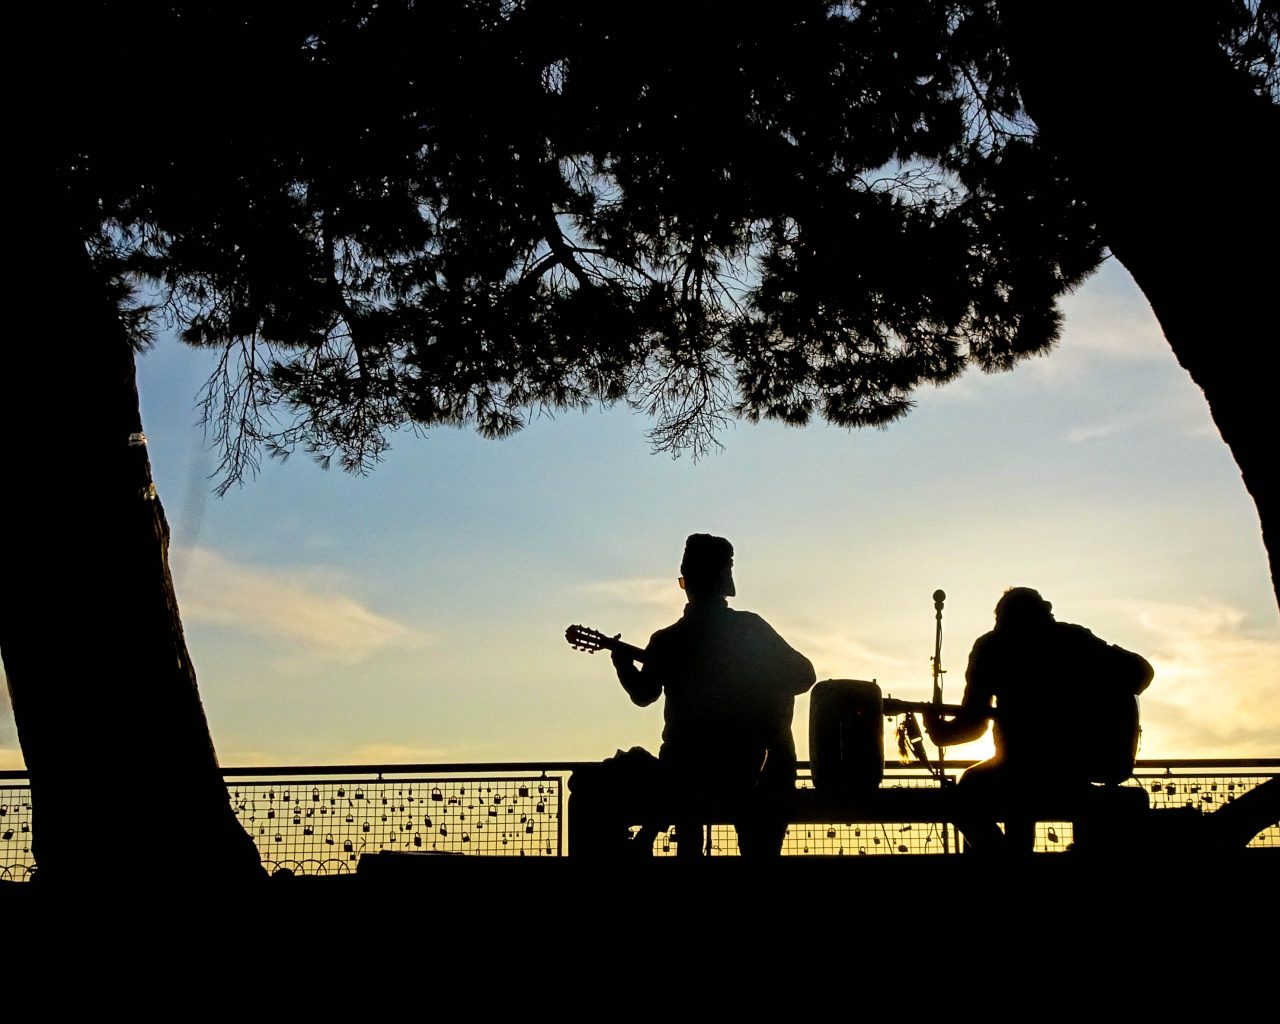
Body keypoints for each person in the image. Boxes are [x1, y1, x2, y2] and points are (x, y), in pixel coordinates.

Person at [610, 534, 816, 857]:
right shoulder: (751, 629)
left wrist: (622, 667)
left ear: (688, 583)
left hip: (686, 774)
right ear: (726, 582)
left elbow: (643, 694)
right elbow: (805, 674)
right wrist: (759, 692)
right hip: (748, 771)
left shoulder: (667, 641)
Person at [924, 587, 1154, 852]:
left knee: (965, 797)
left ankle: (1005, 861)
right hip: (1071, 769)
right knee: (1011, 798)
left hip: (1019, 769)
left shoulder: (991, 647)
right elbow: (1141, 672)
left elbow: (974, 726)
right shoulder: (1072, 638)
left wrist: (939, 732)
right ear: (1045, 611)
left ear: (1001, 619)